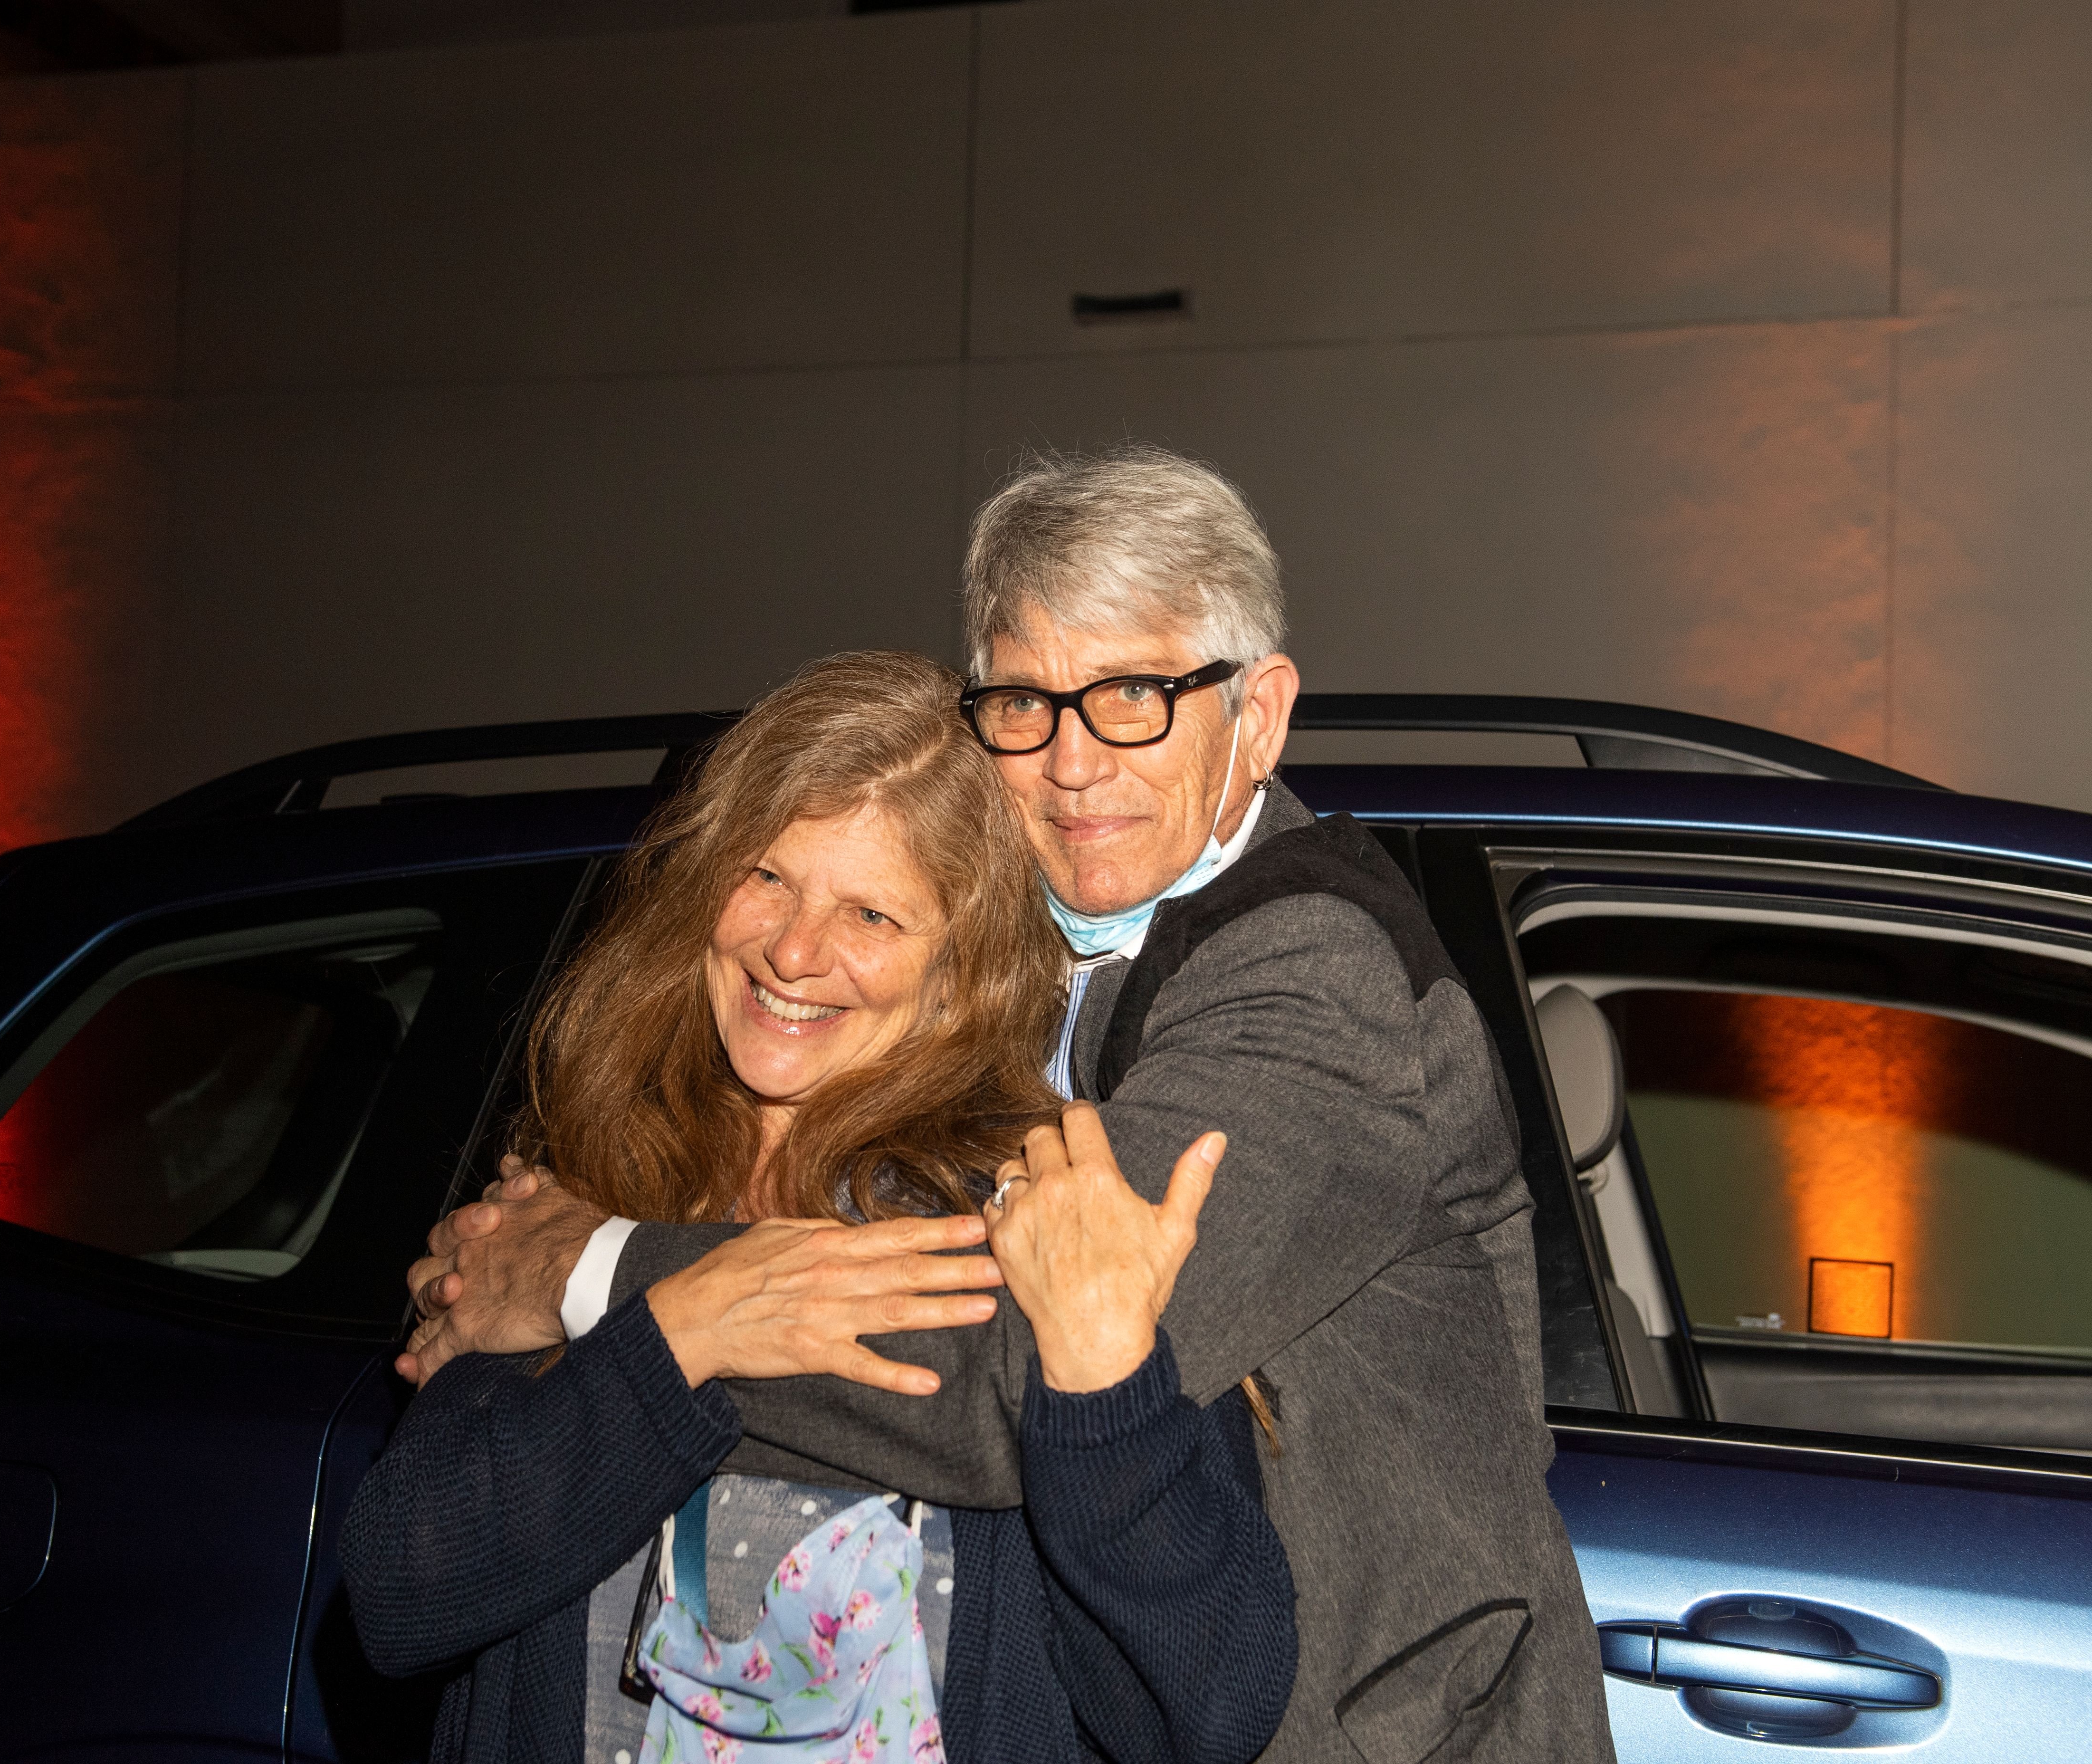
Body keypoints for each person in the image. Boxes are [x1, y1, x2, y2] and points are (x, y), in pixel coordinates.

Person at [407, 446, 1619, 1760]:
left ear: (1258, 719)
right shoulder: (987, 960)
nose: (1072, 763)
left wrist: (598, 1279)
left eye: (1135, 698)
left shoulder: (1314, 976)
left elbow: (1032, 1371)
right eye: (1026, 703)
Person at [344, 650, 1299, 1763]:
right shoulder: (597, 1186)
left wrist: (1104, 1390)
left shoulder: (1040, 1220)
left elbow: (1205, 1708)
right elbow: (399, 1594)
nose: (795, 951)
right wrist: (685, 1328)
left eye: (873, 915)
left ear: (961, 969)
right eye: (766, 877)